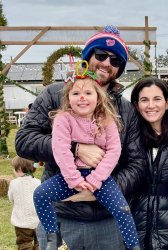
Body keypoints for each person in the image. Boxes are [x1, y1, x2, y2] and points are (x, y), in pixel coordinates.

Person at [15, 25, 146, 250]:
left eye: (115, 61)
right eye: (101, 55)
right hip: (62, 215)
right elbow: (24, 140)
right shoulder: (55, 95)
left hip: (107, 222)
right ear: (88, 57)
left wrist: (98, 191)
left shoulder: (125, 110)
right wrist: (75, 148)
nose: (106, 63)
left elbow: (137, 163)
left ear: (120, 69)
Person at [33, 71, 140, 250]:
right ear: (68, 97)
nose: (82, 98)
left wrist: (96, 179)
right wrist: (73, 179)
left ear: (98, 97)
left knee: (122, 210)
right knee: (40, 195)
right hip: (70, 177)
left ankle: (133, 246)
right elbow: (61, 150)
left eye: (88, 93)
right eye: (76, 94)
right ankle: (53, 237)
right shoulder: (63, 119)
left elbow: (114, 150)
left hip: (100, 178)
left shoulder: (107, 119)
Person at [130, 77, 168, 249]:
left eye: (157, 99)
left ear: (167, 103)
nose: (151, 105)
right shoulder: (130, 138)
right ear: (136, 105)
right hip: (134, 229)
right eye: (144, 100)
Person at [8, 156, 41, 250]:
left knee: (24, 243)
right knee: (39, 243)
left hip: (21, 221)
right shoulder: (38, 182)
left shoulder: (14, 183)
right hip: (38, 220)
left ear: (19, 169)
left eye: (14, 169)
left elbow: (11, 198)